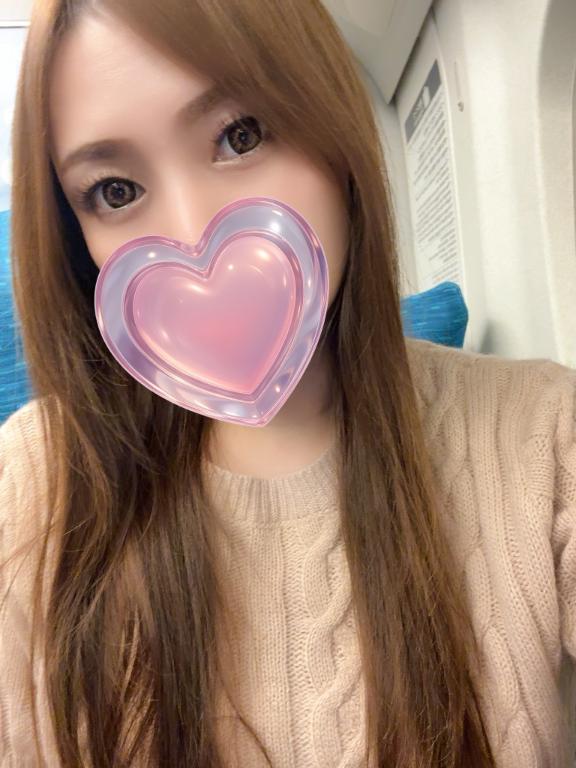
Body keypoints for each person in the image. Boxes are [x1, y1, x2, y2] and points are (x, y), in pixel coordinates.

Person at [0, 0, 575, 766]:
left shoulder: (545, 432)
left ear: (333, 131)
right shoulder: (30, 483)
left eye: (241, 135)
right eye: (115, 191)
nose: (193, 235)